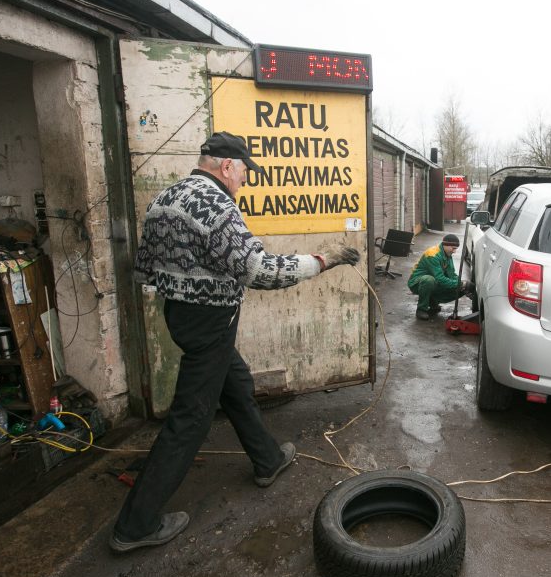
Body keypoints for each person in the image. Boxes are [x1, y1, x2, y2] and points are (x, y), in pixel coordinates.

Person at [110, 131, 359, 553]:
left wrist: (184, 288)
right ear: (227, 166)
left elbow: (144, 272)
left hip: (179, 315)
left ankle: (268, 459)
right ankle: (134, 526)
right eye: (243, 172)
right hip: (211, 321)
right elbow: (258, 271)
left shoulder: (163, 200)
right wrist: (323, 261)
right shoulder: (216, 205)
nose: (243, 181)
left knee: (236, 383)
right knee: (191, 419)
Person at [407, 233, 468, 320]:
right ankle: (421, 309)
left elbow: (451, 274)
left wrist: (463, 284)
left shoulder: (447, 254)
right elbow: (440, 279)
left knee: (461, 288)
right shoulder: (432, 254)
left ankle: (433, 302)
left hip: (434, 282)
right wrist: (460, 284)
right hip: (417, 282)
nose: (454, 251)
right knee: (429, 280)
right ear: (445, 245)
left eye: (456, 249)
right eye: (453, 248)